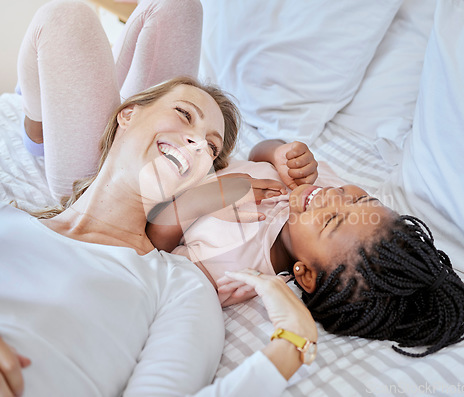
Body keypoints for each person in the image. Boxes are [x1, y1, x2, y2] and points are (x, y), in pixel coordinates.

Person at [0, 1, 319, 396]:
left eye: (211, 148)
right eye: (185, 116)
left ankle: (44, 127)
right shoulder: (7, 219)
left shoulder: (180, 285)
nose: (197, 143)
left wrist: (292, 345)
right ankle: (45, 126)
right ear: (126, 114)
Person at [147, 138, 464, 358]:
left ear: (304, 274)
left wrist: (205, 198)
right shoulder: (312, 192)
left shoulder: (229, 265)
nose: (333, 195)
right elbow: (255, 154)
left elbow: (154, 243)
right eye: (360, 199)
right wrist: (279, 154)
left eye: (331, 220)